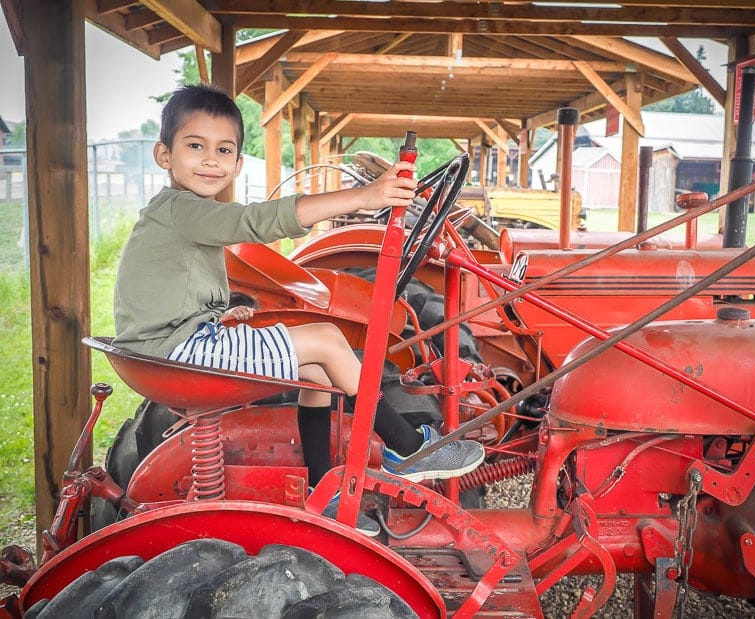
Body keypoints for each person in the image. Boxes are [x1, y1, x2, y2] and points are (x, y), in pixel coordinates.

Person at [112, 84, 485, 535]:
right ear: (164, 155)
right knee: (327, 339)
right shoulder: (181, 209)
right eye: (195, 146)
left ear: (237, 163)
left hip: (176, 342)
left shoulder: (183, 212)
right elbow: (255, 220)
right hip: (173, 351)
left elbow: (176, 289)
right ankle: (406, 450)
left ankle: (319, 495)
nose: (210, 160)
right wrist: (363, 198)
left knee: (318, 373)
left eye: (223, 150)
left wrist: (220, 316)